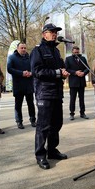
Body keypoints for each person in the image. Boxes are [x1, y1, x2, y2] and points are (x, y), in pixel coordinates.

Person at [30, 23, 70, 170]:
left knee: (57, 123)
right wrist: (58, 73)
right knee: (43, 126)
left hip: (57, 93)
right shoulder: (37, 50)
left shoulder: (56, 51)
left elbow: (61, 68)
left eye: (55, 32)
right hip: (44, 93)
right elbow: (37, 71)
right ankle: (40, 155)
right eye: (51, 32)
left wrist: (64, 72)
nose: (54, 34)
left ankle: (52, 150)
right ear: (44, 34)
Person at [7, 41, 36, 129]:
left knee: (31, 104)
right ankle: (19, 121)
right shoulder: (12, 57)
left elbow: (35, 68)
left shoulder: (30, 57)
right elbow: (9, 69)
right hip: (18, 85)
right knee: (18, 105)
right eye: (21, 48)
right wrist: (21, 73)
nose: (23, 49)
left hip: (29, 85)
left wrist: (31, 73)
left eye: (24, 48)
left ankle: (33, 120)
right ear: (17, 48)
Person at [65, 46, 90, 120]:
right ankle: (72, 113)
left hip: (81, 82)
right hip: (73, 82)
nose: (76, 53)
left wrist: (83, 73)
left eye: (77, 52)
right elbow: (66, 69)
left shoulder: (82, 58)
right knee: (72, 99)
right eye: (75, 52)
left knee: (82, 99)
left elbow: (87, 68)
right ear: (72, 52)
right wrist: (75, 72)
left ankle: (82, 113)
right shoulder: (68, 59)